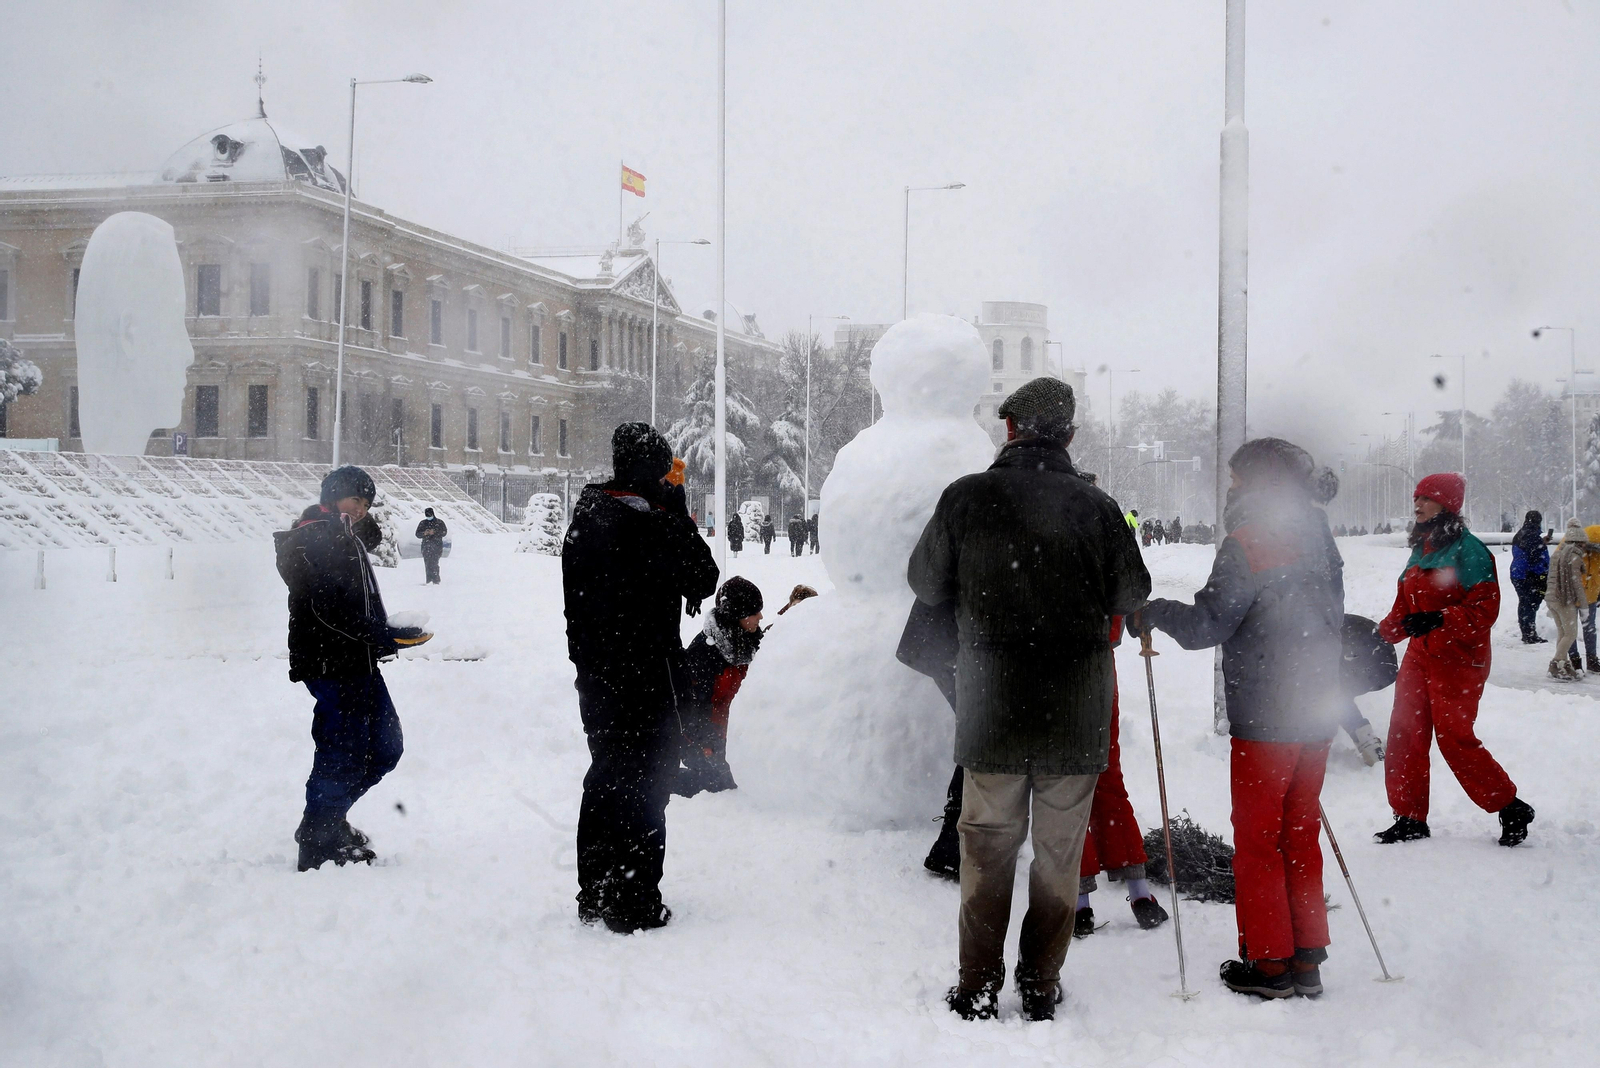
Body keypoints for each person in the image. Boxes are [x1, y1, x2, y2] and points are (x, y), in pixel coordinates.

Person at [908, 377, 1150, 1022]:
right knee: (1058, 856)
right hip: (1075, 710)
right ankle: (1040, 983)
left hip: (992, 705)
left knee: (985, 850)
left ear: (1009, 426)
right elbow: (1132, 589)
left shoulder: (966, 499)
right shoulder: (1097, 507)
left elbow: (924, 580)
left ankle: (979, 984)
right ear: (1069, 435)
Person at [1139, 437, 1344, 1000]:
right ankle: (1306, 956)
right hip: (1316, 706)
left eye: (1235, 479)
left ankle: (1270, 963)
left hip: (1268, 713)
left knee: (1258, 840)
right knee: (1299, 831)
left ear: (1254, 482)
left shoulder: (1248, 540)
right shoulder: (1318, 534)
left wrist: (1154, 610)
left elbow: (1211, 623)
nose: (1229, 488)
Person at [562, 423, 720, 934]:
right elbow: (703, 577)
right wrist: (675, 512)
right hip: (648, 675)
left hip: (597, 674)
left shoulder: (587, 515)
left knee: (607, 774)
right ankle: (633, 900)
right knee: (647, 783)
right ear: (655, 471)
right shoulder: (654, 522)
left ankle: (597, 888)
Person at [275, 465, 430, 873]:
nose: (361, 509)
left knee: (386, 747)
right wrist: (380, 634)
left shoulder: (343, 536)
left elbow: (366, 551)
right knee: (341, 753)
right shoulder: (310, 539)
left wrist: (386, 632)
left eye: (365, 502)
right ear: (331, 497)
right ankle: (317, 841)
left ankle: (325, 820)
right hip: (329, 662)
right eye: (354, 500)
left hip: (357, 659)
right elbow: (323, 608)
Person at [1373, 473, 1534, 848]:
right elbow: (1404, 608)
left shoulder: (1471, 551)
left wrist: (1441, 619)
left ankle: (1509, 805)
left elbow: (1484, 610)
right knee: (1404, 734)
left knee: (1454, 739)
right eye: (1416, 498)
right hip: (1419, 656)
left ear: (1447, 505)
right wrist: (1381, 632)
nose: (1417, 505)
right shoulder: (1422, 550)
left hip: (1459, 658)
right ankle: (1410, 816)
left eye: (1426, 498)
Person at [1074, 616, 1168, 938]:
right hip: (1100, 667)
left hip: (1057, 669)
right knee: (1108, 780)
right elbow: (1131, 587)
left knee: (1070, 790)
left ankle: (1078, 904)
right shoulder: (1108, 562)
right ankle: (1141, 893)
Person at [675, 576, 764, 796]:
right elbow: (690, 708)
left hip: (737, 731)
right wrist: (706, 744)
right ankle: (660, 778)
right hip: (705, 739)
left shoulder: (750, 639)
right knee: (723, 786)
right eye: (754, 612)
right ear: (736, 617)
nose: (760, 617)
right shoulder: (703, 655)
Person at [1545, 519, 1589, 681]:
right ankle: (1556, 663)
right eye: (1584, 543)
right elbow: (1576, 583)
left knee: (1563, 633)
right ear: (1579, 541)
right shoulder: (1573, 556)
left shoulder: (1558, 552)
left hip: (1552, 598)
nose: (1585, 547)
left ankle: (1563, 663)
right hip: (1564, 599)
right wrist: (1584, 606)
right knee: (1571, 634)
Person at [415, 507, 448, 584]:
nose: (428, 517)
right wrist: (424, 533)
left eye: (429, 515)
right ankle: (429, 580)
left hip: (437, 546)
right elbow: (417, 534)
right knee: (427, 564)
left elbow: (444, 532)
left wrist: (435, 532)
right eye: (427, 516)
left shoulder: (439, 523)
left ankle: (436, 580)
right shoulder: (423, 523)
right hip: (426, 547)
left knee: (434, 563)